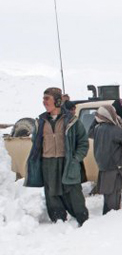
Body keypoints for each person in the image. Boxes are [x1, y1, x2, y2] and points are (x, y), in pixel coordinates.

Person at [25, 87, 89, 226]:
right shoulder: (40, 122)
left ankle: (82, 220)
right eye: (43, 99)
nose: (44, 102)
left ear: (58, 102)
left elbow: (83, 143)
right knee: (51, 193)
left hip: (67, 162)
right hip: (48, 163)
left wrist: (75, 159)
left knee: (72, 191)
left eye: (47, 99)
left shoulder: (72, 121)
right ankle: (58, 220)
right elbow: (35, 142)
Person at [90, 105, 122, 214]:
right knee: (114, 199)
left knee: (107, 197)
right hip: (114, 169)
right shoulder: (114, 130)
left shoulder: (97, 129)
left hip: (103, 168)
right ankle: (111, 222)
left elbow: (90, 132)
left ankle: (106, 218)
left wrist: (96, 118)